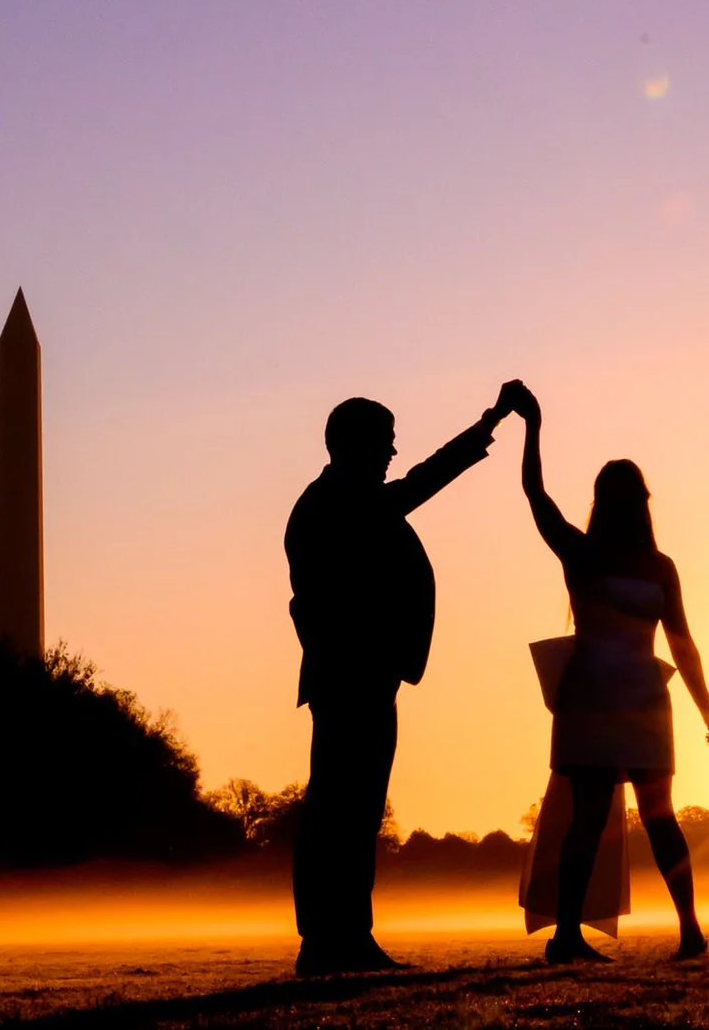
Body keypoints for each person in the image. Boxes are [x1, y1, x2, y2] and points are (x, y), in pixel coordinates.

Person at [284, 383, 524, 975]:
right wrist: (488, 422)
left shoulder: (339, 500)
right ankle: (330, 939)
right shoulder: (337, 504)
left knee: (352, 809)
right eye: (386, 444)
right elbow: (421, 482)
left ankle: (343, 937)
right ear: (357, 446)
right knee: (342, 809)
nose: (393, 454)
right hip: (352, 677)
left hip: (362, 674)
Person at [512, 382, 709, 962]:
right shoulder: (608, 558)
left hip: (621, 702)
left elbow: (684, 645)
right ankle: (618, 934)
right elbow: (536, 495)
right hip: (609, 701)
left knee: (615, 820)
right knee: (629, 819)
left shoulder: (632, 562)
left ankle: (669, 932)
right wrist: (532, 426)